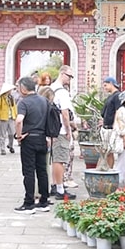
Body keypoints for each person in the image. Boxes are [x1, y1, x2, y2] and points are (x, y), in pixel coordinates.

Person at [13, 77, 52, 214]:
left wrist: (18, 136)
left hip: (29, 140)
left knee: (29, 171)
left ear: (23, 88)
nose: (17, 90)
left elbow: (19, 121)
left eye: (18, 87)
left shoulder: (23, 103)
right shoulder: (44, 100)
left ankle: (29, 203)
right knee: (42, 171)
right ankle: (44, 201)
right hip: (42, 139)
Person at [49, 66, 77, 200]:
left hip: (52, 129)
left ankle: (55, 185)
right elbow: (65, 113)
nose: (70, 79)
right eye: (69, 76)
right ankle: (60, 189)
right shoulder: (62, 92)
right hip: (61, 130)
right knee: (60, 160)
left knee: (56, 159)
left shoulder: (51, 88)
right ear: (62, 73)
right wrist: (68, 130)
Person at [99, 76, 122, 169]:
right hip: (106, 125)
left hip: (111, 127)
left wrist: (115, 124)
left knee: (109, 150)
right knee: (105, 150)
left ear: (111, 84)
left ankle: (110, 168)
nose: (104, 87)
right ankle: (106, 168)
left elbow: (118, 110)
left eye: (105, 85)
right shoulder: (110, 96)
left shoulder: (117, 96)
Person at [0, 85, 17, 156]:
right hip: (3, 118)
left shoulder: (11, 98)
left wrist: (16, 116)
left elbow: (14, 107)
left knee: (12, 133)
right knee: (2, 134)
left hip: (11, 118)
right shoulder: (0, 98)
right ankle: (2, 149)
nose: (11, 91)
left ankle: (10, 145)